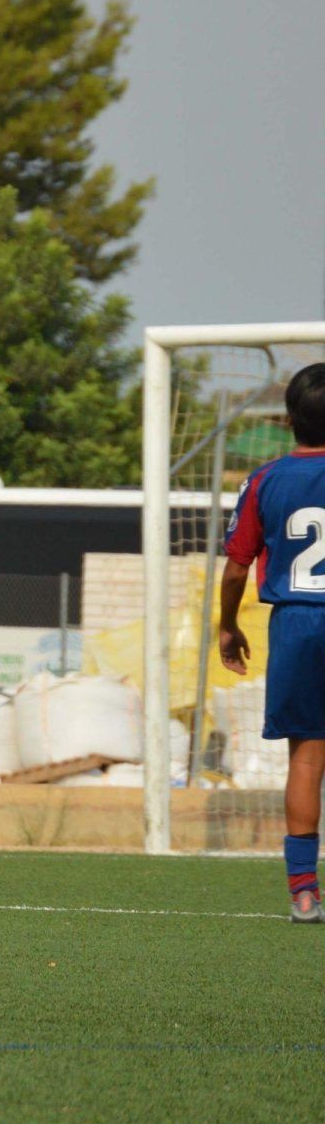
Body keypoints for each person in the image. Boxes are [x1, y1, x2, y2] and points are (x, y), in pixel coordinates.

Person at [218, 363, 325, 923]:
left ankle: (305, 893)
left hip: (298, 625)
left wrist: (227, 624)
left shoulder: (265, 479)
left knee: (307, 759)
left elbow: (237, 567)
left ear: (288, 421)